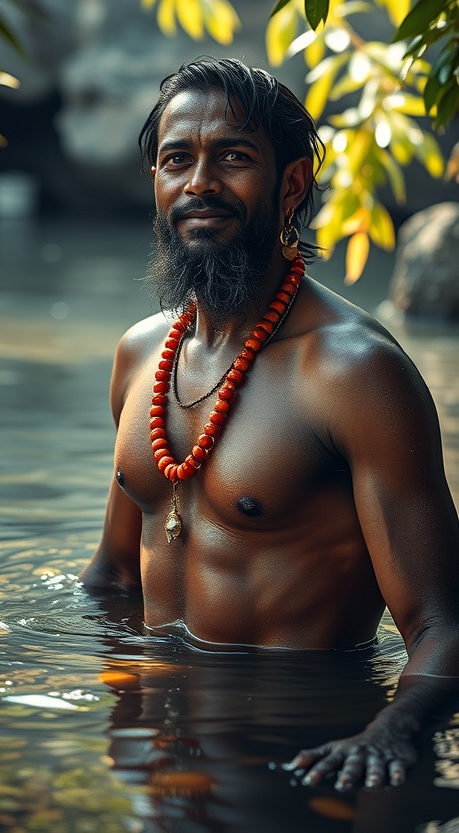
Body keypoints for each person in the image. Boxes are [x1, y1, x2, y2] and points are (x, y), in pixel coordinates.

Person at [79, 57, 459, 792]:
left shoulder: (352, 374)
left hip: (304, 747)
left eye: (233, 158)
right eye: (176, 160)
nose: (199, 184)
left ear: (290, 185)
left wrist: (386, 737)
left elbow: (443, 625)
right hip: (159, 758)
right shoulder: (140, 354)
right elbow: (114, 577)